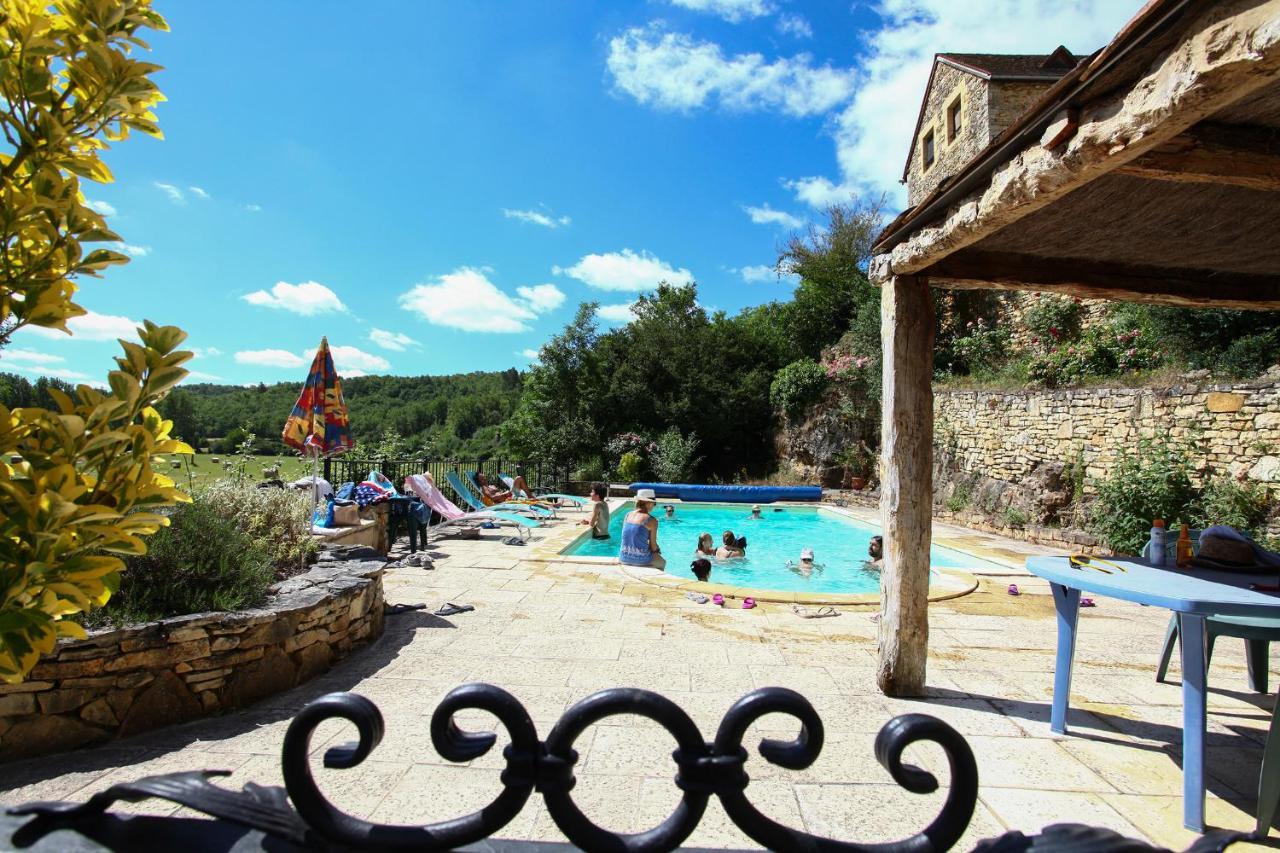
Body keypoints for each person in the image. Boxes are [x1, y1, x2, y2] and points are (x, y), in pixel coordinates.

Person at [619, 488, 666, 570]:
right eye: (653, 504)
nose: (653, 506)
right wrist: (657, 550)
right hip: (641, 560)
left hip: (623, 557)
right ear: (649, 503)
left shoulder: (628, 515)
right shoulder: (652, 520)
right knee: (662, 562)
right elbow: (653, 546)